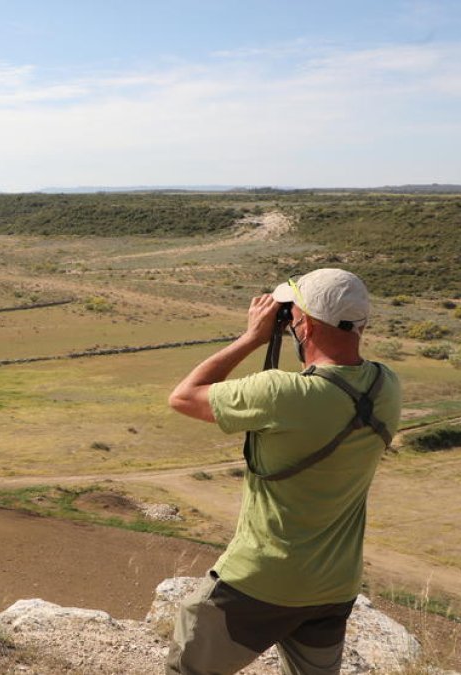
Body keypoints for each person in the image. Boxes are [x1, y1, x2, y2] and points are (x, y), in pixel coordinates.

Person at [165, 268, 402, 675]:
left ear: (304, 325)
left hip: (259, 580)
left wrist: (252, 337)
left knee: (187, 668)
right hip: (335, 585)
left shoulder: (281, 393)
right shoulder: (387, 386)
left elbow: (183, 397)